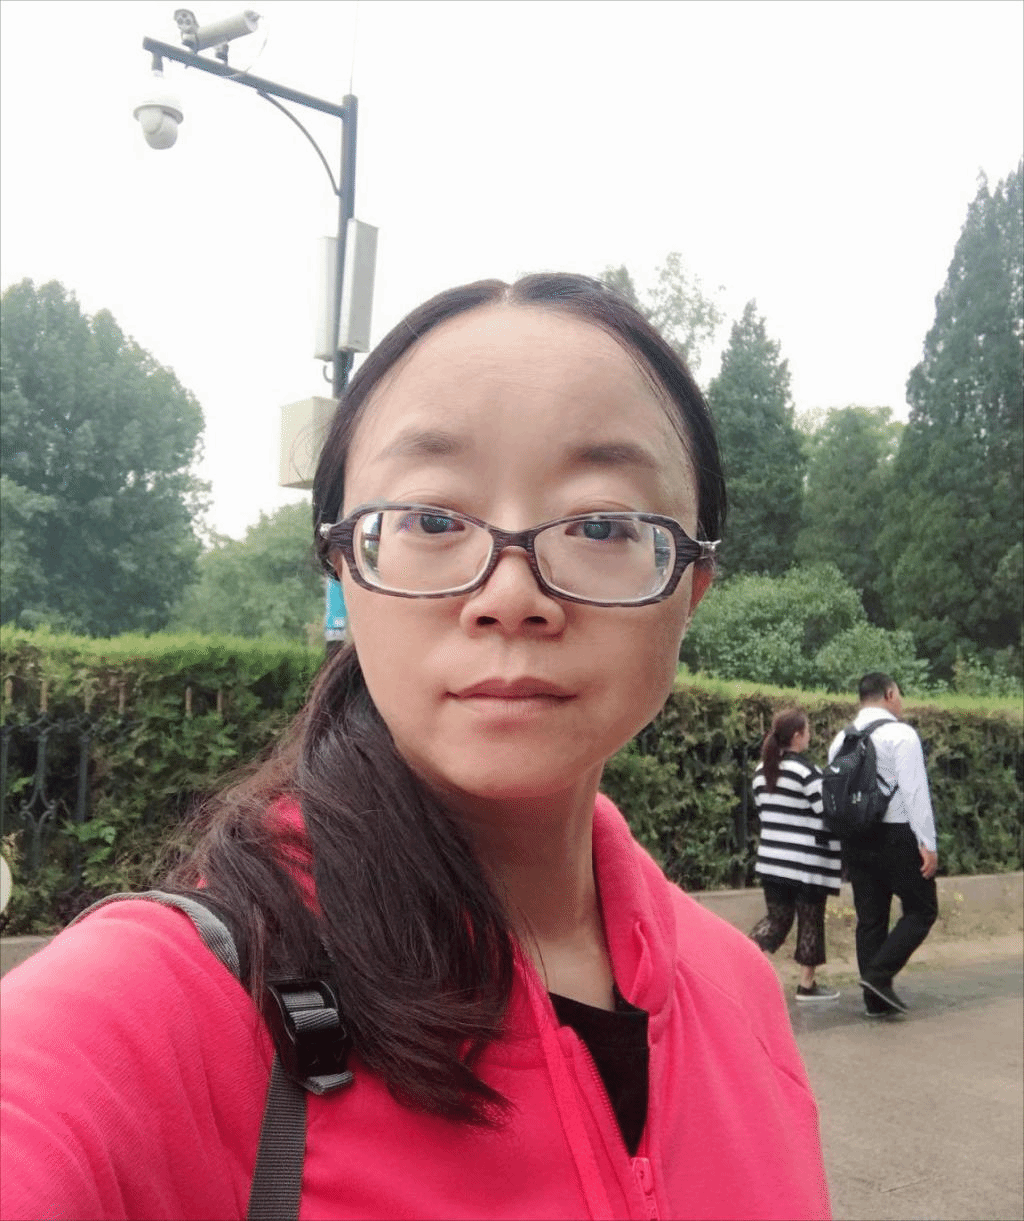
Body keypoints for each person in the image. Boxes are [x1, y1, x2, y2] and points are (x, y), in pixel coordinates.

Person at [0, 274, 831, 1220]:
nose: (511, 595)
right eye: (433, 520)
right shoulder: (167, 1010)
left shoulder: (738, 990)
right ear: (346, 567)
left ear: (691, 585)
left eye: (602, 524)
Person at [828, 672, 938, 1017]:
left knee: (871, 918)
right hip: (896, 833)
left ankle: (875, 1003)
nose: (901, 701)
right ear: (889, 694)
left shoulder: (841, 739)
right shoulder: (901, 734)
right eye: (899, 694)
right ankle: (878, 976)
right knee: (922, 909)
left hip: (856, 836)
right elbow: (914, 791)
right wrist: (927, 842)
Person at [749, 709, 842, 1001]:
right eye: (808, 731)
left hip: (772, 861)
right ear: (798, 736)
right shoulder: (807, 773)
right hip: (806, 863)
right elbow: (827, 812)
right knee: (810, 921)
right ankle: (806, 985)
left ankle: (739, 963)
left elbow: (764, 811)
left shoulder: (760, 772)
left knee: (776, 921)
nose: (810, 736)